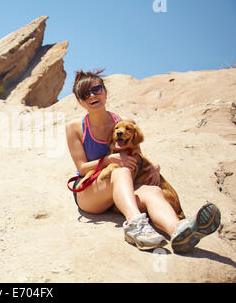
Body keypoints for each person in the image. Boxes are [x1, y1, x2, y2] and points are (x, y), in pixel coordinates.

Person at [65, 69, 221, 253]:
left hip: (121, 193)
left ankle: (179, 231)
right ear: (79, 101)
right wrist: (109, 159)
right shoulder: (75, 127)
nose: (92, 95)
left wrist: (154, 167)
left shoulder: (124, 123)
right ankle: (134, 225)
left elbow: (135, 156)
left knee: (153, 191)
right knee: (120, 170)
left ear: (105, 91)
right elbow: (82, 168)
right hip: (90, 193)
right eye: (85, 94)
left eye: (96, 89)